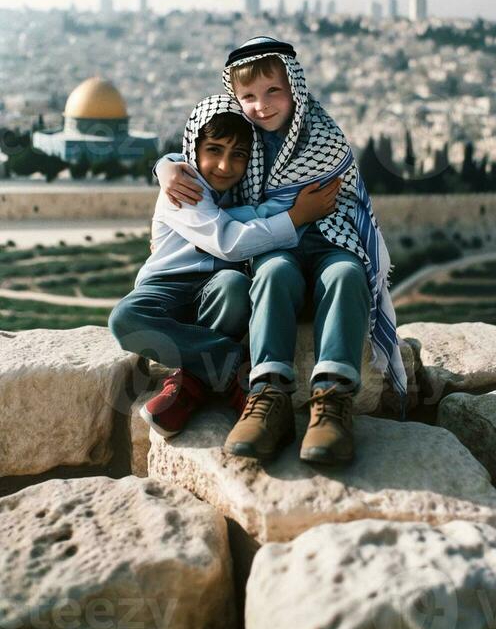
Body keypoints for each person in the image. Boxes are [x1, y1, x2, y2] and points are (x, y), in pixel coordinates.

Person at [156, 38, 408, 466]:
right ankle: (269, 396)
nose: (262, 106)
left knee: (346, 276)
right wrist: (164, 166)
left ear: (295, 87)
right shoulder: (241, 137)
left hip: (330, 243)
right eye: (249, 96)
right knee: (272, 274)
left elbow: (345, 198)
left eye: (274, 91)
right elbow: (198, 154)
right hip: (274, 247)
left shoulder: (322, 135)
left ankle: (332, 403)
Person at [109, 93, 339, 439]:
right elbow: (228, 242)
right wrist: (295, 218)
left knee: (233, 286)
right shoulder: (185, 186)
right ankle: (233, 366)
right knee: (125, 319)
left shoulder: (244, 189)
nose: (225, 166)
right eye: (214, 150)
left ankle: (192, 381)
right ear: (194, 149)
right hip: (166, 288)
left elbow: (253, 221)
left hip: (216, 290)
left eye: (239, 155)